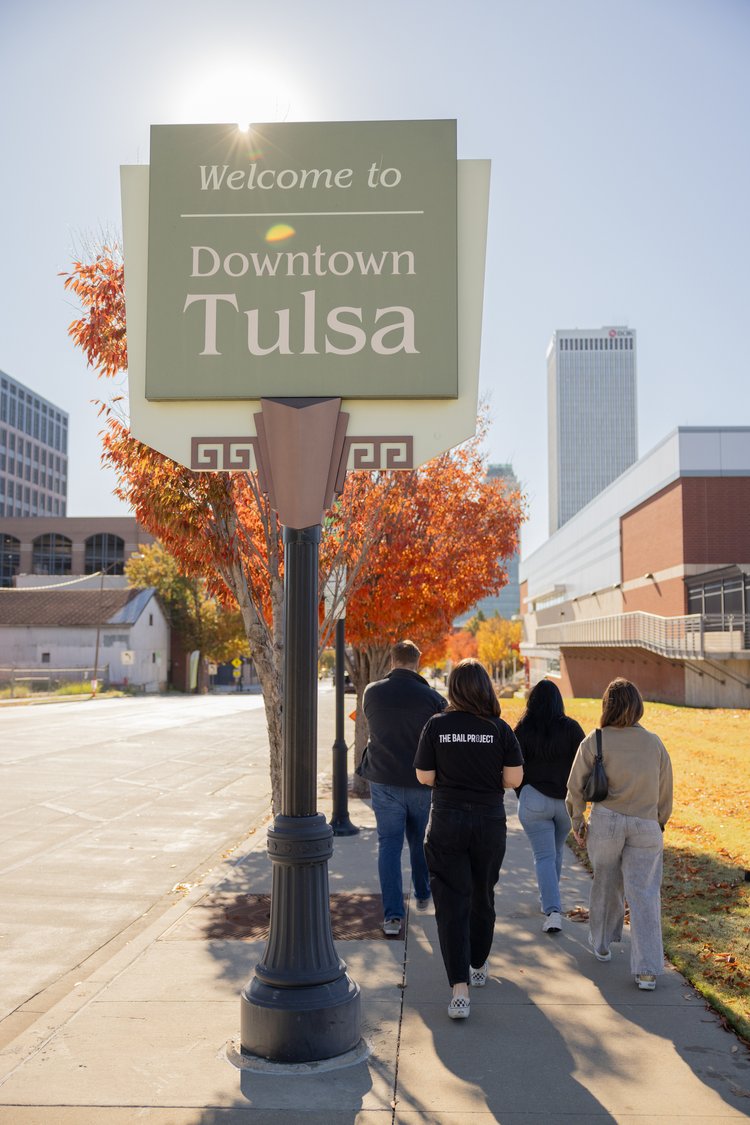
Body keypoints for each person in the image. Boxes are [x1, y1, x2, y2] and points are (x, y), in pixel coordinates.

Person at [414, 658, 524, 1020]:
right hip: (488, 822)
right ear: (486, 688)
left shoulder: (436, 725)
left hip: (447, 820)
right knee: (483, 894)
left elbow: (424, 776)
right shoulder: (500, 729)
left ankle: (458, 990)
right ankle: (478, 962)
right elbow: (514, 779)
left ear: (454, 688)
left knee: (450, 901)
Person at [566, 678, 673, 991]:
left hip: (607, 821)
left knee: (605, 883)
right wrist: (659, 822)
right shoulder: (655, 743)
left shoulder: (595, 740)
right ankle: (647, 970)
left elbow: (575, 787)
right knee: (645, 895)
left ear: (607, 706)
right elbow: (665, 791)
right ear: (637, 706)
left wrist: (577, 821)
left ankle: (601, 944)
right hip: (646, 824)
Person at [360, 639, 447, 936]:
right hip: (421, 781)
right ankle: (423, 894)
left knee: (389, 844)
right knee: (420, 840)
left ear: (392, 660)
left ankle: (393, 917)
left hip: (383, 780)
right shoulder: (434, 698)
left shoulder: (371, 692)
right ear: (418, 661)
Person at [514, 679, 585, 933]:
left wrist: (522, 792)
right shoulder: (572, 729)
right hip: (565, 802)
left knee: (545, 855)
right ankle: (550, 902)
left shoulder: (522, 729)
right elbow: (584, 767)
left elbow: (513, 766)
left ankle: (552, 910)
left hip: (534, 799)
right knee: (553, 852)